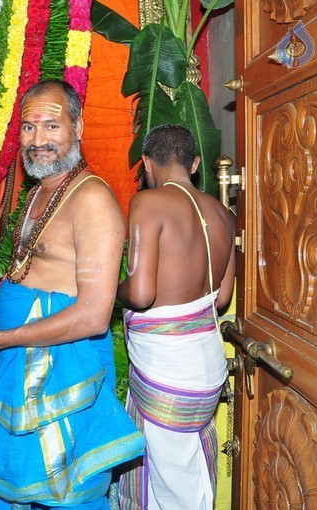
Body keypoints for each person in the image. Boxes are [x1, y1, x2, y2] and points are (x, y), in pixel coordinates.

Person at [0, 79, 145, 509]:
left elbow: (91, 315)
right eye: (29, 128)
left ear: (79, 127)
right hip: (14, 370)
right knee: (9, 490)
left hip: (58, 376)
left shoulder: (92, 200)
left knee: (65, 496)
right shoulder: (39, 193)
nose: (38, 140)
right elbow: (30, 273)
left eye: (52, 126)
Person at [116, 124, 236, 510]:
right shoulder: (222, 214)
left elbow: (140, 292)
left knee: (166, 490)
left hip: (169, 376)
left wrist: (107, 290)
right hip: (208, 373)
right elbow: (223, 299)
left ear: (147, 163)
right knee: (186, 474)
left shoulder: (148, 203)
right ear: (195, 163)